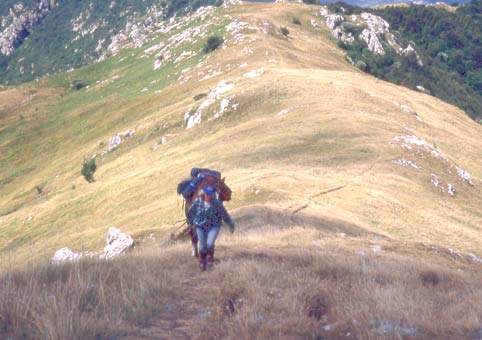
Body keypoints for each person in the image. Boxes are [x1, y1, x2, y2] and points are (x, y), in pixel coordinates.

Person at [187, 184, 235, 270]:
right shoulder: (198, 201)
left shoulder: (216, 203)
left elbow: (224, 214)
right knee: (202, 246)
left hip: (214, 226)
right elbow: (191, 212)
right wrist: (191, 223)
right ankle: (203, 261)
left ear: (213, 194)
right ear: (204, 194)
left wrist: (231, 224)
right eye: (207, 194)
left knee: (209, 243)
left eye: (210, 194)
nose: (209, 196)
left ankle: (210, 259)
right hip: (200, 226)